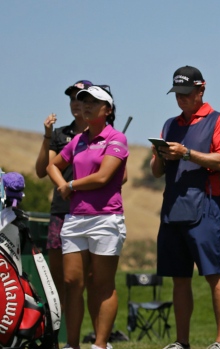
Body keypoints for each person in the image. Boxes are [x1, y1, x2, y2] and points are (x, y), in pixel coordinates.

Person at [150, 66, 220, 349]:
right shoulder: (170, 124)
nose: (181, 99)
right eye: (177, 94)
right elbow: (156, 172)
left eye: (187, 93)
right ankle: (181, 342)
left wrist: (186, 153)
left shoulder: (218, 120)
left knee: (214, 273)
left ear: (201, 89)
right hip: (173, 209)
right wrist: (160, 155)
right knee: (179, 278)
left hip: (206, 207)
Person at [47, 85, 129, 349]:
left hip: (106, 219)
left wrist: (70, 186)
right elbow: (53, 165)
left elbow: (103, 177)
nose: (86, 106)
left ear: (108, 110)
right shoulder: (78, 140)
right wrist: (62, 183)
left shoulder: (116, 138)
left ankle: (100, 345)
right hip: (75, 219)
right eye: (83, 102)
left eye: (94, 102)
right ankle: (72, 344)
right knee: (72, 283)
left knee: (102, 285)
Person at [35, 80, 92, 311]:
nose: (75, 103)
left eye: (81, 98)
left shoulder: (102, 135)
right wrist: (47, 136)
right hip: (62, 211)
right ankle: (59, 338)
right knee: (60, 282)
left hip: (90, 211)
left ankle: (95, 339)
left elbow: (122, 177)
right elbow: (42, 171)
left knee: (89, 280)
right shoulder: (60, 135)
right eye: (72, 98)